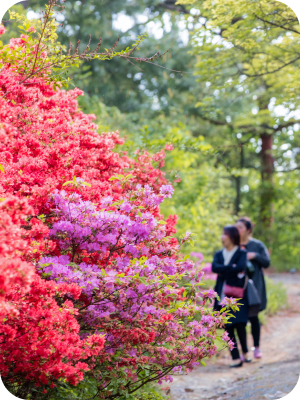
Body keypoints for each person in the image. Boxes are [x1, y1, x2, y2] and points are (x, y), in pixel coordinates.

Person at [212, 225, 250, 368]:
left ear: (232, 236)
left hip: (237, 294)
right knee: (227, 325)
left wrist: (225, 271)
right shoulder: (219, 254)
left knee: (239, 324)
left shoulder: (241, 253)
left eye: (225, 234)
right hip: (222, 293)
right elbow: (215, 268)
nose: (222, 237)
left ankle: (245, 351)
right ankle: (235, 357)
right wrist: (231, 268)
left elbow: (240, 267)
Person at [236, 217, 270, 359]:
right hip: (237, 287)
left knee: (254, 317)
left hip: (254, 287)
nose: (237, 230)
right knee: (240, 319)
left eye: (240, 227)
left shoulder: (257, 245)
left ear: (248, 230)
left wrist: (254, 256)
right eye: (236, 227)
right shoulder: (234, 245)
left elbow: (267, 262)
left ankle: (257, 348)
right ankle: (244, 351)